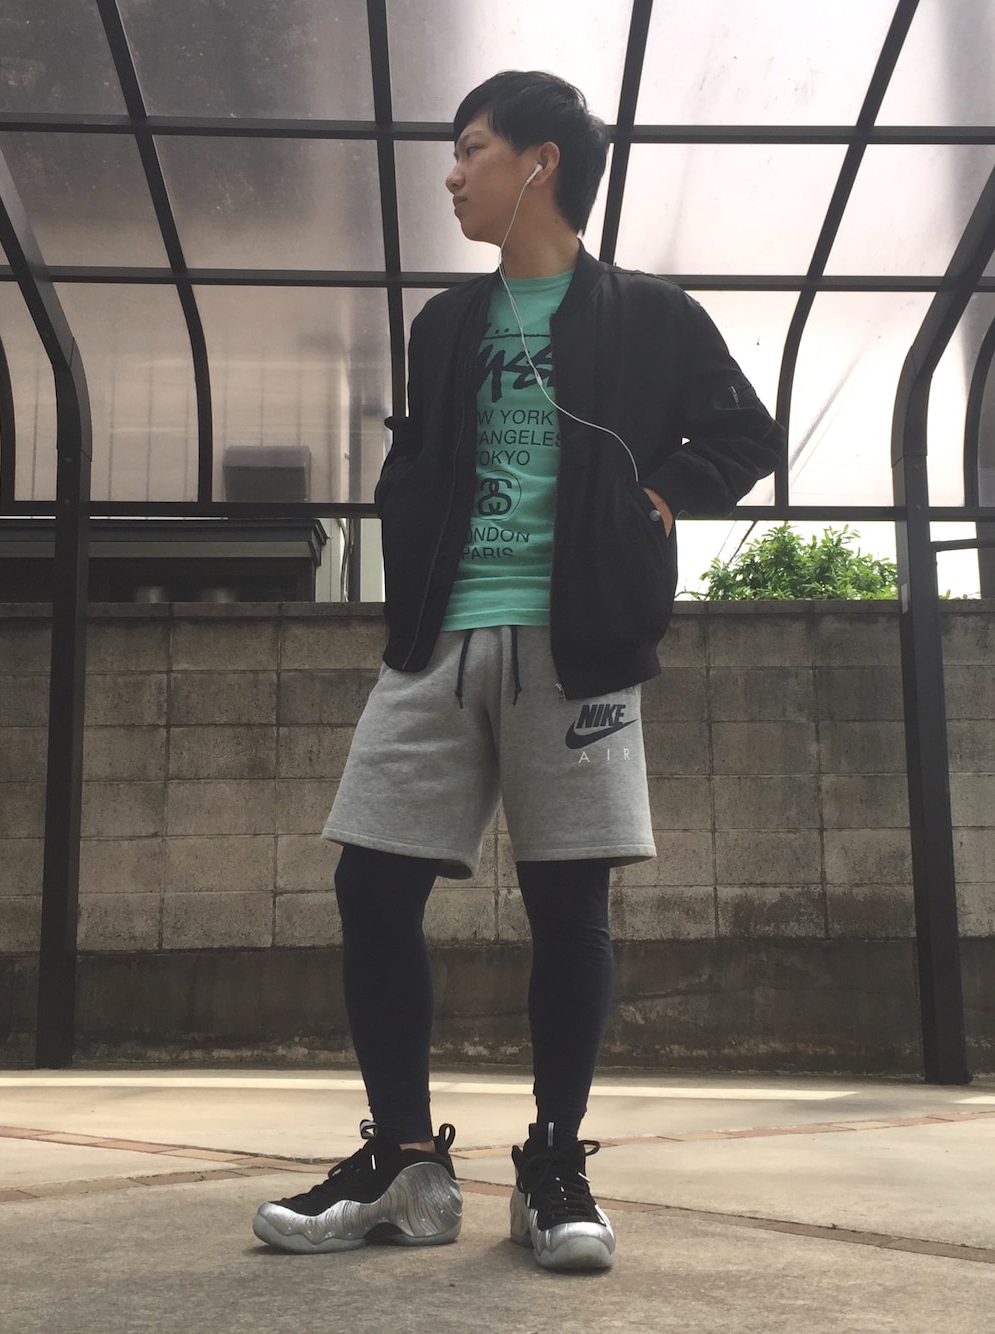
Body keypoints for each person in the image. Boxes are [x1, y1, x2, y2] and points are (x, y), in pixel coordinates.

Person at [253, 70, 784, 1272]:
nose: (451, 174)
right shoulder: (447, 324)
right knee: (371, 884)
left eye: (471, 149)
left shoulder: (651, 315)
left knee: (568, 903)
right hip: (437, 643)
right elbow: (423, 461)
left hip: (578, 642)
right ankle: (406, 1164)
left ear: (539, 162)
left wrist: (661, 495)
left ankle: (552, 1163)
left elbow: (744, 432)